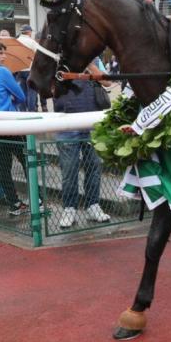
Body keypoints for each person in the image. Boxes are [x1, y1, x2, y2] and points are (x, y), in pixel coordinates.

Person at [54, 58, 112, 228]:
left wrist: (88, 64)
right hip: (67, 122)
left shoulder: (94, 58)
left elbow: (107, 81)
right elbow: (48, 88)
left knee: (94, 167)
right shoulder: (58, 60)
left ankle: (93, 205)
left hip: (92, 123)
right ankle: (69, 208)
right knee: (69, 169)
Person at [0, 41, 29, 215]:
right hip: (11, 125)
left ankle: (14, 204)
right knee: (27, 162)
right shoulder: (3, 72)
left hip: (0, 129)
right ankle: (38, 200)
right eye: (0, 53)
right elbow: (21, 96)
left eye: (4, 53)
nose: (3, 56)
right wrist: (11, 102)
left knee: (3, 168)